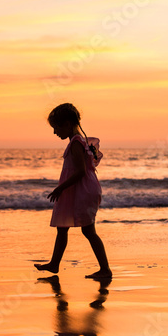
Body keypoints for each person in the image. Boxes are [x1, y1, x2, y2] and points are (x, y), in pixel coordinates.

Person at [35, 103, 112, 279]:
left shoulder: (76, 142)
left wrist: (60, 188)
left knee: (88, 231)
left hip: (82, 190)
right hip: (77, 189)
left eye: (57, 128)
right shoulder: (76, 141)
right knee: (62, 228)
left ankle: (105, 269)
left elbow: (80, 172)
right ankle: (54, 264)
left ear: (68, 124)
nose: (55, 132)